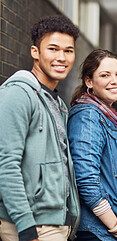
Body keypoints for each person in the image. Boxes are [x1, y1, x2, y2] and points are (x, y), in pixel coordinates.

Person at [0, 15, 80, 241]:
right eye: (53, 49)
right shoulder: (17, 94)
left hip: (55, 224)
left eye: (68, 51)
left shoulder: (58, 104)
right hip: (31, 226)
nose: (61, 58)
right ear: (35, 52)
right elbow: (6, 163)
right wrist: (26, 227)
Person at [68, 49, 117, 241]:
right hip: (100, 232)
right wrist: (116, 227)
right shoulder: (88, 116)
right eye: (105, 75)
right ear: (89, 81)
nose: (115, 81)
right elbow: (86, 179)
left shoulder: (112, 116)